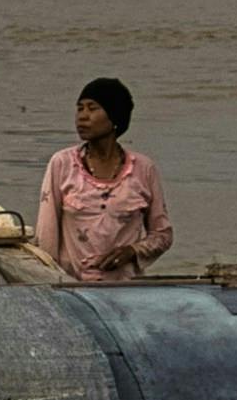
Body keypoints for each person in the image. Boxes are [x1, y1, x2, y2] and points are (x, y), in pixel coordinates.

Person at [38, 78, 169, 284]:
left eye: (92, 108)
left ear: (114, 116)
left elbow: (162, 234)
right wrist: (50, 282)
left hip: (125, 287)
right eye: (79, 109)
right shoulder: (62, 164)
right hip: (72, 287)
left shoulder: (144, 169)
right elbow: (47, 234)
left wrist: (132, 251)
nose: (82, 116)